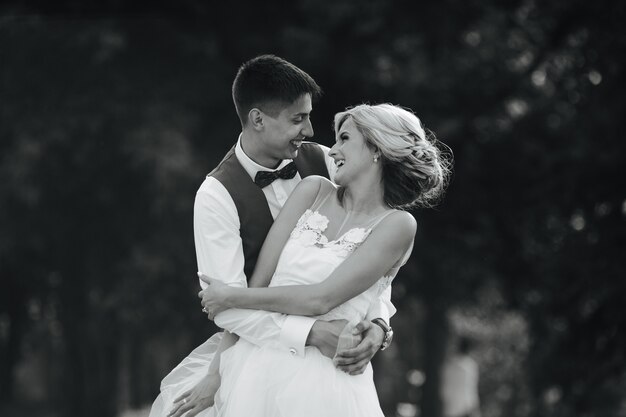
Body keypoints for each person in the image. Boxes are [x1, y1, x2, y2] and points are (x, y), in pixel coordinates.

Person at [149, 55, 394, 417]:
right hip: (259, 365)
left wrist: (379, 324)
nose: (310, 131)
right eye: (298, 119)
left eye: (309, 116)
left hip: (335, 366)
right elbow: (227, 309)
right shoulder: (216, 196)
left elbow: (367, 246)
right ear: (258, 119)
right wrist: (310, 334)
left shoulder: (327, 162)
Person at [199, 103, 451, 416]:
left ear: (376, 148)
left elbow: (322, 299)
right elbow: (261, 283)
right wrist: (217, 369)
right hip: (257, 367)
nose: (332, 151)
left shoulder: (398, 225)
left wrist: (231, 296)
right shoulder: (312, 190)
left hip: (326, 383)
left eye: (344, 138)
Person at [441, 336, 481, 417]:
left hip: (450, 408)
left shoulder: (448, 365)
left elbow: (443, 389)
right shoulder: (470, 366)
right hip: (465, 409)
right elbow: (471, 390)